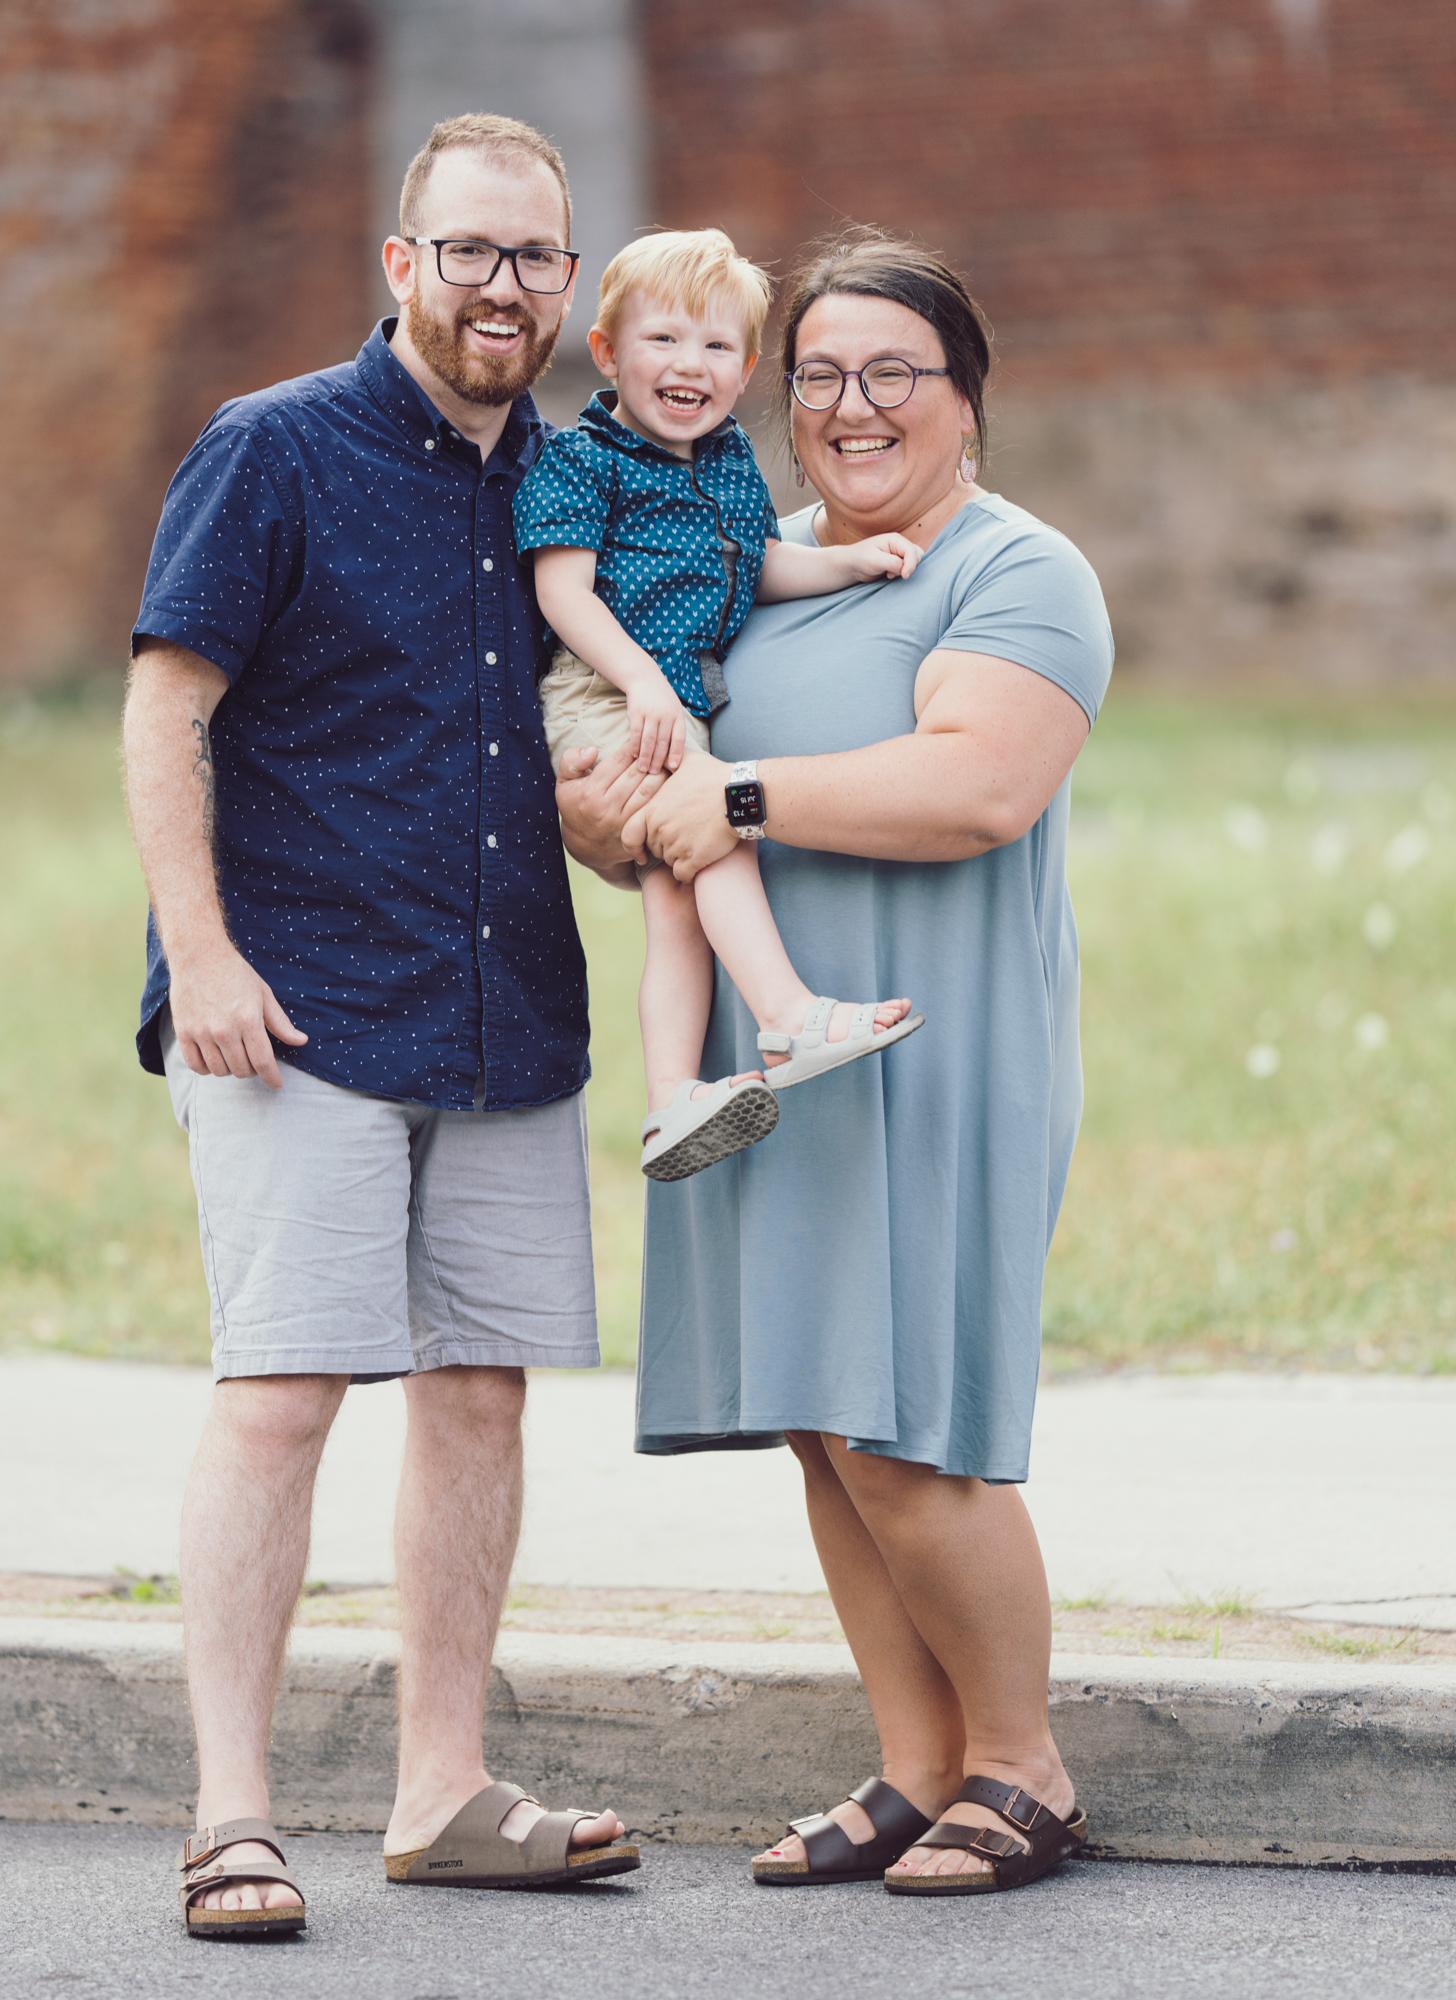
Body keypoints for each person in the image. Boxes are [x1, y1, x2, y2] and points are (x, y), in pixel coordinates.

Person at [122, 113, 644, 1940]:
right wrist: (199, 955)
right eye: (471, 250)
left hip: (507, 1011)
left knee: (481, 1394)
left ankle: (443, 1794)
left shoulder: (574, 488)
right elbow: (167, 710)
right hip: (297, 1010)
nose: (505, 286)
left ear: (569, 283)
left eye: (537, 256)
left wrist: (634, 823)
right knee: (283, 1394)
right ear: (403, 263)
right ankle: (231, 1817)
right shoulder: (272, 448)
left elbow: (578, 745)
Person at [558, 229, 1112, 1897]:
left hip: (930, 1048)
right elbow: (652, 787)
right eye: (818, 375)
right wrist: (612, 811)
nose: (852, 407)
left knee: (909, 1429)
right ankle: (916, 1764)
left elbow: (974, 787)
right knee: (824, 1422)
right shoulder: (755, 554)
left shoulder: (1012, 572)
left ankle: (1022, 1765)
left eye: (893, 374)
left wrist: (730, 797)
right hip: (773, 1057)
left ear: (968, 397)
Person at [516, 229, 922, 1184]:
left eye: (714, 347)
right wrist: (641, 682)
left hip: (670, 700)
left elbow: (755, 565)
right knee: (721, 829)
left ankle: (671, 1101)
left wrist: (846, 563)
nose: (688, 365)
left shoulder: (729, 460)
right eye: (662, 340)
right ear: (608, 353)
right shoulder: (585, 460)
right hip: (604, 689)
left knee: (676, 905)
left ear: (743, 371)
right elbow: (562, 594)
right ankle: (786, 1017)